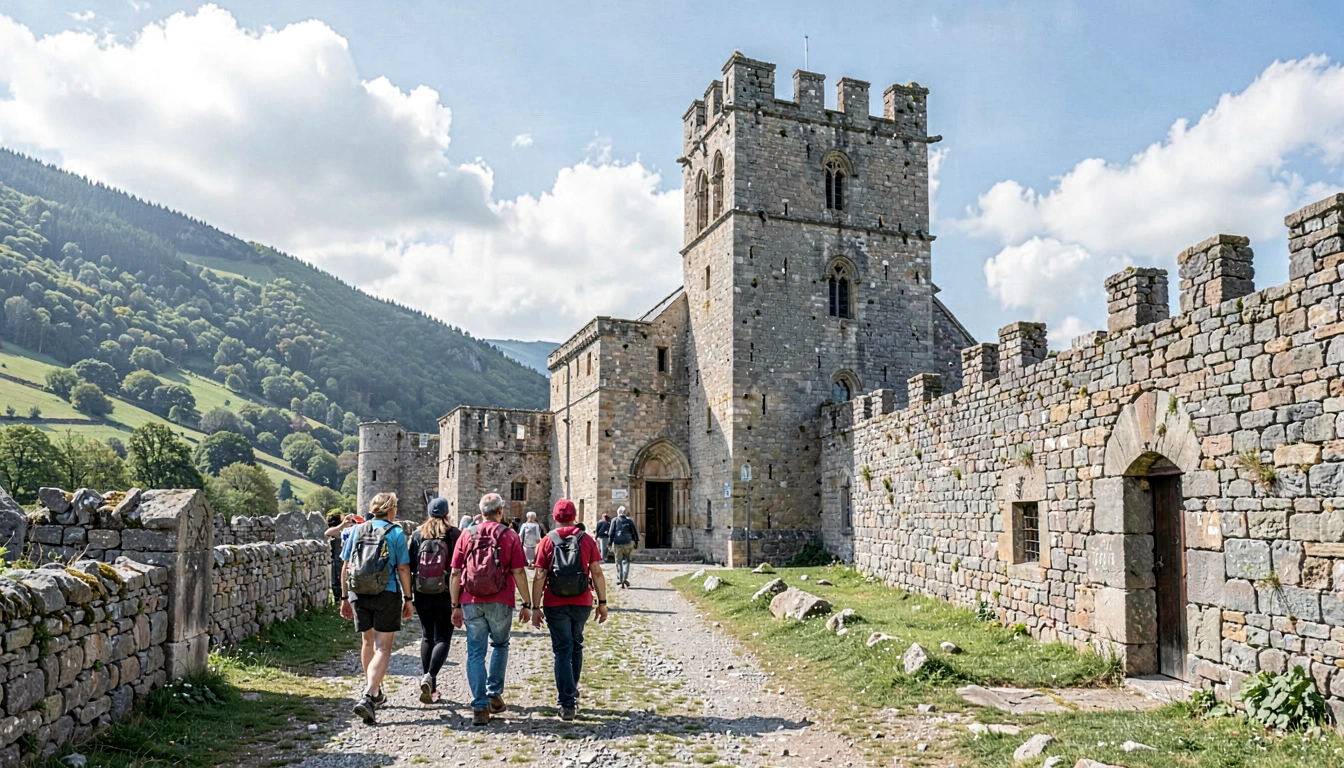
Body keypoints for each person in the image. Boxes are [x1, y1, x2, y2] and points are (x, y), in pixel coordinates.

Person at [449, 493, 532, 726]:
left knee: (475, 652)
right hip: (501, 599)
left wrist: (455, 605)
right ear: (500, 511)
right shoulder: (509, 535)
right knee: (500, 644)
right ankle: (494, 693)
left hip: (470, 599)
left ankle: (479, 707)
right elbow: (518, 572)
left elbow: (455, 573)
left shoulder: (467, 534)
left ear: (481, 512)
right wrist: (527, 603)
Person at [339, 493, 413, 725]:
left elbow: (346, 566)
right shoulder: (396, 532)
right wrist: (408, 598)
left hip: (359, 592)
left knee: (367, 642)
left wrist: (344, 597)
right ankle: (369, 694)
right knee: (383, 647)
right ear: (391, 509)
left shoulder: (357, 530)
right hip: (386, 592)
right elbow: (402, 568)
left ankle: (374, 690)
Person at [531, 499, 607, 720]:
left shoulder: (546, 542)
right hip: (582, 600)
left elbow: (539, 576)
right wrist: (602, 603)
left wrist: (535, 606)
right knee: (576, 645)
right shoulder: (586, 540)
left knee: (562, 649)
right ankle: (571, 689)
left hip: (554, 602)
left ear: (555, 517)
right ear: (575, 517)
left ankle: (567, 703)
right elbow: (597, 573)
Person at [409, 497, 462, 705]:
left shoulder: (417, 535)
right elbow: (459, 567)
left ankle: (429, 685)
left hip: (422, 592)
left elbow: (411, 565)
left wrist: (408, 595)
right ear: (447, 513)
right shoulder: (454, 534)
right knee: (443, 638)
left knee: (427, 636)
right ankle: (430, 677)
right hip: (446, 593)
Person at [609, 506, 639, 588]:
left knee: (618, 561)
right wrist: (636, 542)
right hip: (628, 542)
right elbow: (634, 532)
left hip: (617, 543)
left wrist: (609, 543)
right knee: (626, 560)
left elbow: (611, 532)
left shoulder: (614, 520)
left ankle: (620, 578)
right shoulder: (629, 520)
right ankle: (625, 577)